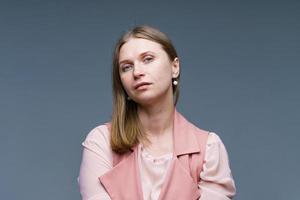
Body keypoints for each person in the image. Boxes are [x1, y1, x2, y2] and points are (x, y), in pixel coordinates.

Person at [78, 25, 236, 200]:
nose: (137, 72)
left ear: (174, 67)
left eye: (147, 59)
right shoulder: (101, 141)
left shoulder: (208, 149)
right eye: (126, 67)